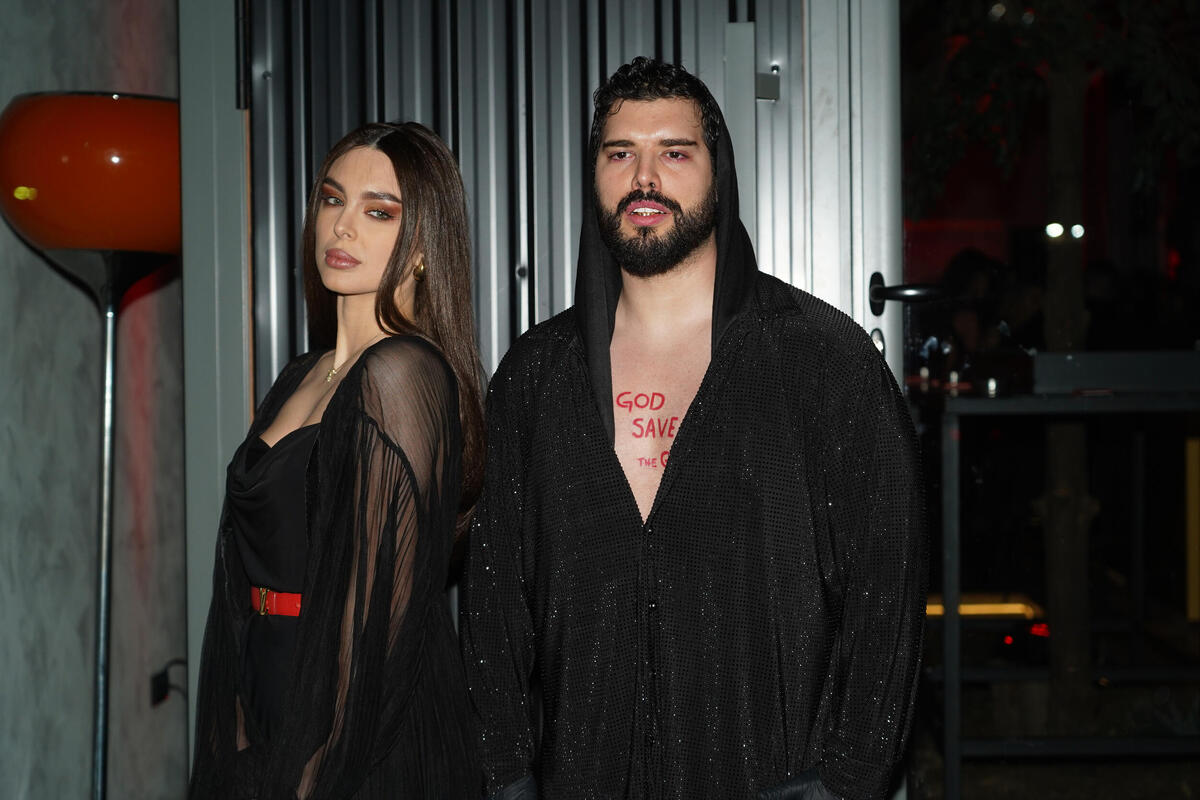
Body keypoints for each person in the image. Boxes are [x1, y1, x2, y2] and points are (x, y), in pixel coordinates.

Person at [460, 57, 926, 800]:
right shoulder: (535, 377)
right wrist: (507, 775)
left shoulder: (821, 361)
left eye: (674, 153)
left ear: (718, 173)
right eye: (620, 154)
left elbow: (887, 585)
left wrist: (847, 780)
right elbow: (493, 602)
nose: (644, 178)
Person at [190, 122, 484, 799]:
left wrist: (314, 776)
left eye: (378, 211)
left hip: (357, 738)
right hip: (267, 690)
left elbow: (378, 627)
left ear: (422, 247)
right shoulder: (301, 374)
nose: (342, 226)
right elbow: (239, 575)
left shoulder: (404, 374)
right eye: (332, 199)